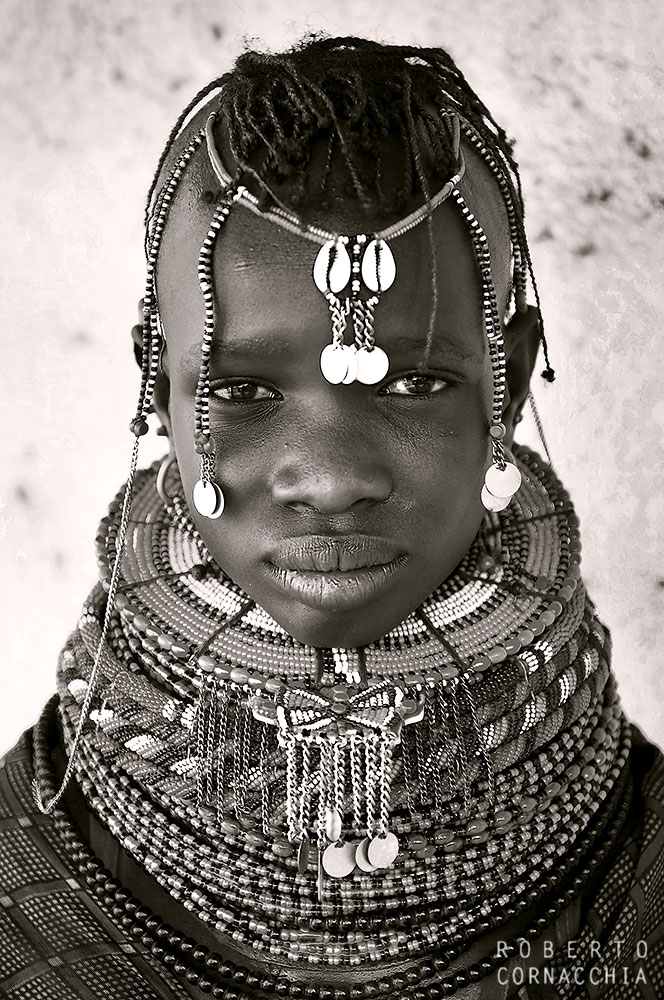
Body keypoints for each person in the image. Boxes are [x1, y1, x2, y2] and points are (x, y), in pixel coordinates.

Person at [0, 35, 662, 1000]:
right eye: (243, 391)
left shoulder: (636, 887)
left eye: (418, 380)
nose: (331, 478)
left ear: (507, 382)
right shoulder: (30, 876)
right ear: (161, 381)